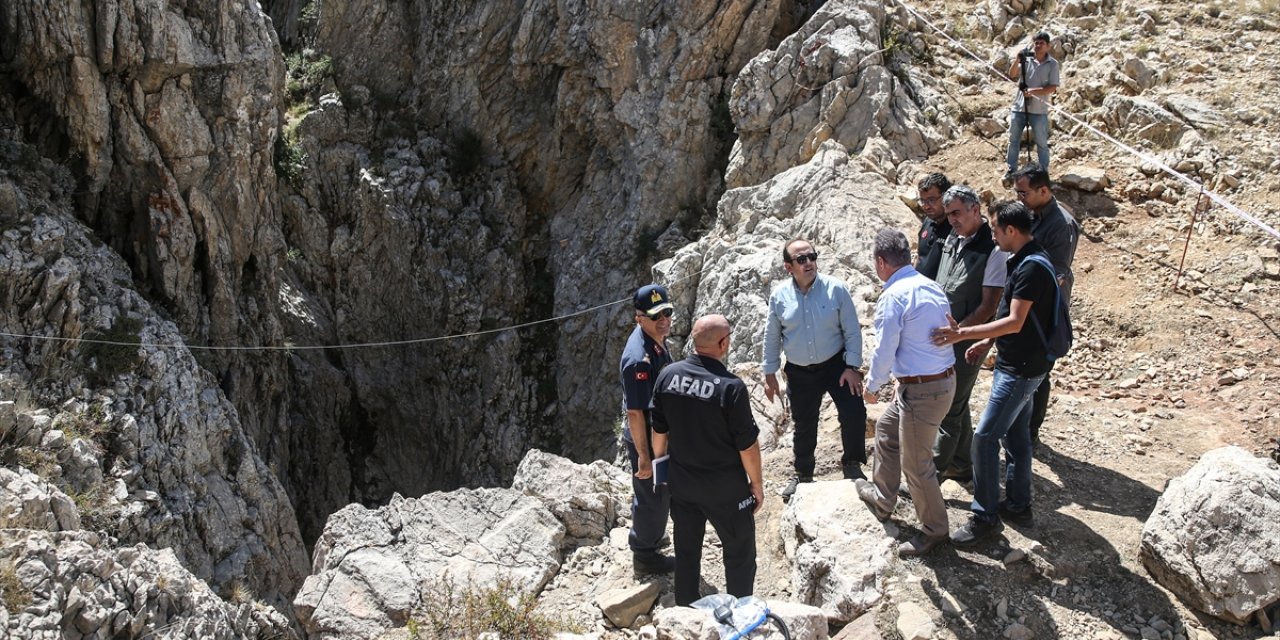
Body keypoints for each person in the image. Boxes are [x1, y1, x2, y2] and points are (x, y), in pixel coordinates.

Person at [932, 201, 1058, 545]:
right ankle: (1018, 504)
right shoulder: (1024, 258)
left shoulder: (1030, 267)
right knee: (1015, 438)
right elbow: (1014, 316)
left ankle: (984, 517)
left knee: (985, 439)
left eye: (996, 228)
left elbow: (1015, 320)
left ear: (1012, 231)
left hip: (1020, 369)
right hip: (1020, 363)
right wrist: (987, 340)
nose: (992, 234)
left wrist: (964, 334)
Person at [853, 230, 957, 557]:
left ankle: (935, 530)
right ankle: (883, 498)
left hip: (922, 390)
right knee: (886, 430)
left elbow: (885, 349)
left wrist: (871, 387)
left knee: (916, 464)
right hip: (935, 382)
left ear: (881, 262)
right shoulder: (930, 285)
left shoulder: (894, 295)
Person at [651, 314, 764, 606]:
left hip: (683, 484)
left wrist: (661, 470)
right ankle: (741, 615)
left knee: (686, 551)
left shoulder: (667, 375)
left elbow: (659, 433)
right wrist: (757, 484)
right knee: (739, 553)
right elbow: (747, 445)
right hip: (726, 489)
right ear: (723, 343)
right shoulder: (731, 387)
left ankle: (686, 612)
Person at [762, 238, 867, 500]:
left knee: (854, 411)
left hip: (836, 365)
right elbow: (772, 336)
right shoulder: (779, 296)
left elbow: (852, 330)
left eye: (812, 257)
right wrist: (769, 373)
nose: (809, 263)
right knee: (804, 424)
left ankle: (852, 464)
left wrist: (853, 366)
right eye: (801, 259)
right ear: (789, 267)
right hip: (799, 370)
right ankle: (804, 474)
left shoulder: (836, 289)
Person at [929, 185, 1008, 485]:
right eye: (948, 214)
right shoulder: (954, 237)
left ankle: (929, 475)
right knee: (957, 402)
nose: (952, 220)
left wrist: (959, 334)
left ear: (976, 209)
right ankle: (961, 464)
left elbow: (989, 305)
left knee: (949, 407)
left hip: (967, 340)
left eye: (957, 213)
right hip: (945, 336)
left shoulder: (994, 249)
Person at [1012, 164, 1081, 445]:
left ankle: (1030, 431)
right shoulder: (1032, 213)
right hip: (1024, 301)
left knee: (1038, 371)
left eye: (1024, 192)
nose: (1020, 198)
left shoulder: (1061, 224)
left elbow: (1058, 274)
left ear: (1043, 190)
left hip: (1044, 309)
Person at [619, 284, 676, 574]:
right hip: (649, 437)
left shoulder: (655, 339)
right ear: (639, 318)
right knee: (653, 494)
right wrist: (644, 456)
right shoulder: (637, 359)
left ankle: (652, 535)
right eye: (656, 316)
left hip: (660, 432)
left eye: (667, 312)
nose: (664, 320)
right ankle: (644, 554)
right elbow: (636, 412)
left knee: (661, 491)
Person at [1005, 32, 1060, 180]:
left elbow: (1052, 87)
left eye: (1042, 43)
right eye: (1036, 42)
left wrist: (1033, 91)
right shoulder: (1026, 59)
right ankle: (1011, 170)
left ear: (1048, 46)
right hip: (1019, 106)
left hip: (1039, 110)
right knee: (1014, 140)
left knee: (1041, 143)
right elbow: (1012, 74)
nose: (1038, 45)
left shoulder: (1052, 64)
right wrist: (1017, 60)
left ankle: (1043, 173)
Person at [915, 173, 954, 279]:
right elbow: (920, 257)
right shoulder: (927, 222)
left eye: (931, 200)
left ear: (946, 197)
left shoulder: (956, 228)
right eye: (923, 201)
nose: (926, 206)